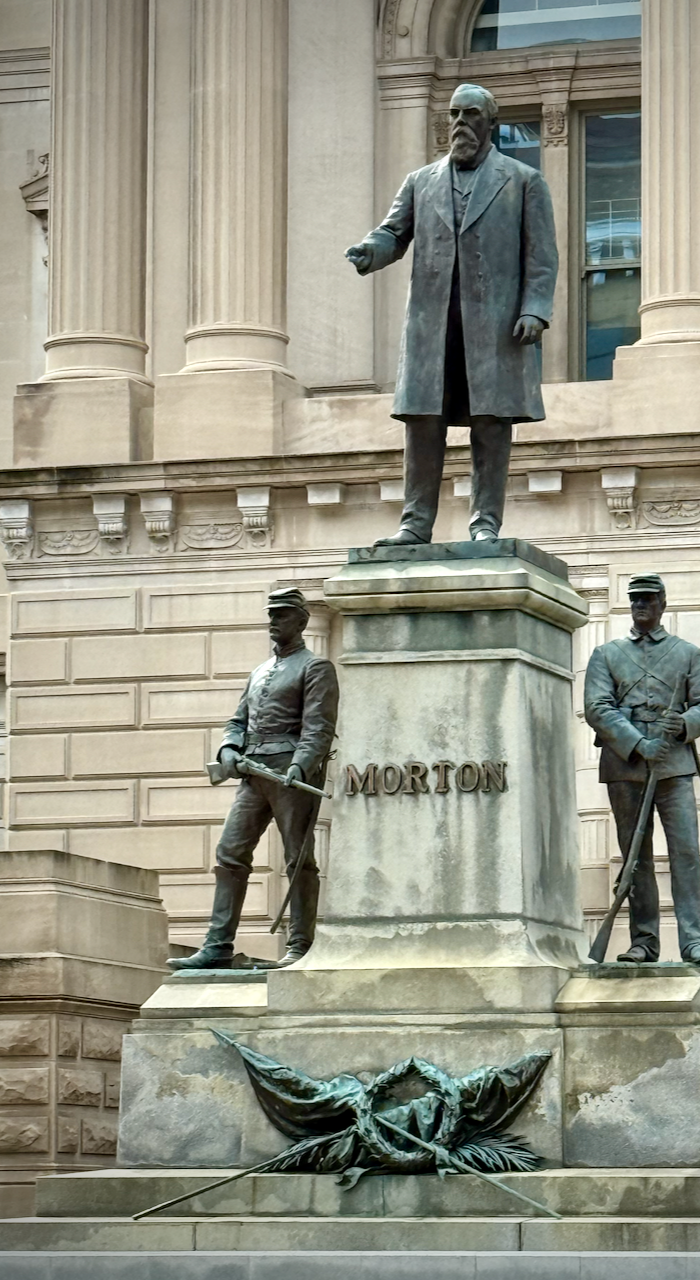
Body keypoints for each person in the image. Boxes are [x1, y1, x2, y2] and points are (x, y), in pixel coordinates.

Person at [346, 82, 557, 545]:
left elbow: (541, 254)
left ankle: (485, 523)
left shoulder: (523, 180)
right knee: (423, 421)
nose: (460, 123)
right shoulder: (421, 181)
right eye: (454, 114)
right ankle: (415, 523)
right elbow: (393, 233)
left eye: (471, 114)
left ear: (491, 123)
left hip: (496, 326)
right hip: (433, 325)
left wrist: (535, 309)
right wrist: (370, 250)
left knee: (491, 423)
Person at [167, 587, 339, 971]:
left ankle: (300, 945)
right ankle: (217, 946)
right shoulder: (260, 671)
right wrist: (228, 749)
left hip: (289, 773)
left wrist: (301, 765)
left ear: (301, 621)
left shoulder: (315, 667)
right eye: (271, 614)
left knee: (298, 859)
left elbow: (318, 727)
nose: (273, 621)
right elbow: (237, 721)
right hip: (252, 773)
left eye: (281, 615)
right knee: (230, 853)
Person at [583, 574, 700, 966]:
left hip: (674, 767)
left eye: (648, 599)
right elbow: (597, 708)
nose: (641, 605)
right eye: (635, 599)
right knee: (635, 859)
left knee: (685, 854)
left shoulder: (687, 653)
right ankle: (643, 942)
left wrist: (685, 723)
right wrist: (639, 744)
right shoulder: (606, 655)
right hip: (625, 766)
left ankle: (694, 941)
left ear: (662, 603)